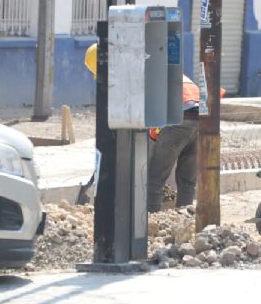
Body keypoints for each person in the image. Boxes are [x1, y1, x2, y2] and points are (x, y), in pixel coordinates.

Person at [83, 43, 220, 211]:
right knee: (187, 178)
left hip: (179, 117)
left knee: (154, 177)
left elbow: (138, 113)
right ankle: (185, 216)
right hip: (202, 118)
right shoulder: (149, 64)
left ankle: (151, 218)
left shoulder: (133, 74)